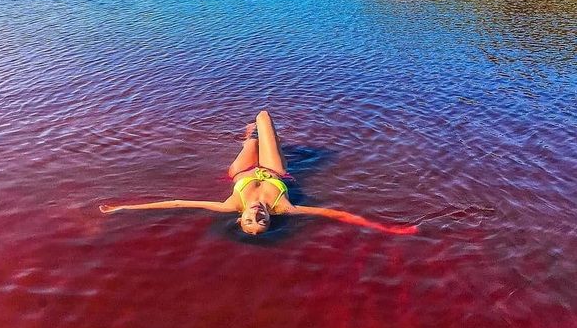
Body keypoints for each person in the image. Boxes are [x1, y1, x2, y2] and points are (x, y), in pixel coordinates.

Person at [99, 110, 418, 236]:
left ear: (240, 220)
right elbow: (334, 214)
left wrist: (126, 206)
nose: (256, 214)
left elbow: (177, 203)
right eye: (262, 220)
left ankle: (250, 137)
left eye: (250, 220)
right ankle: (260, 136)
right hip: (273, 172)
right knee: (264, 117)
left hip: (241, 173)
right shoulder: (284, 207)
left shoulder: (230, 206)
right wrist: (388, 229)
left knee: (250, 141)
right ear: (269, 219)